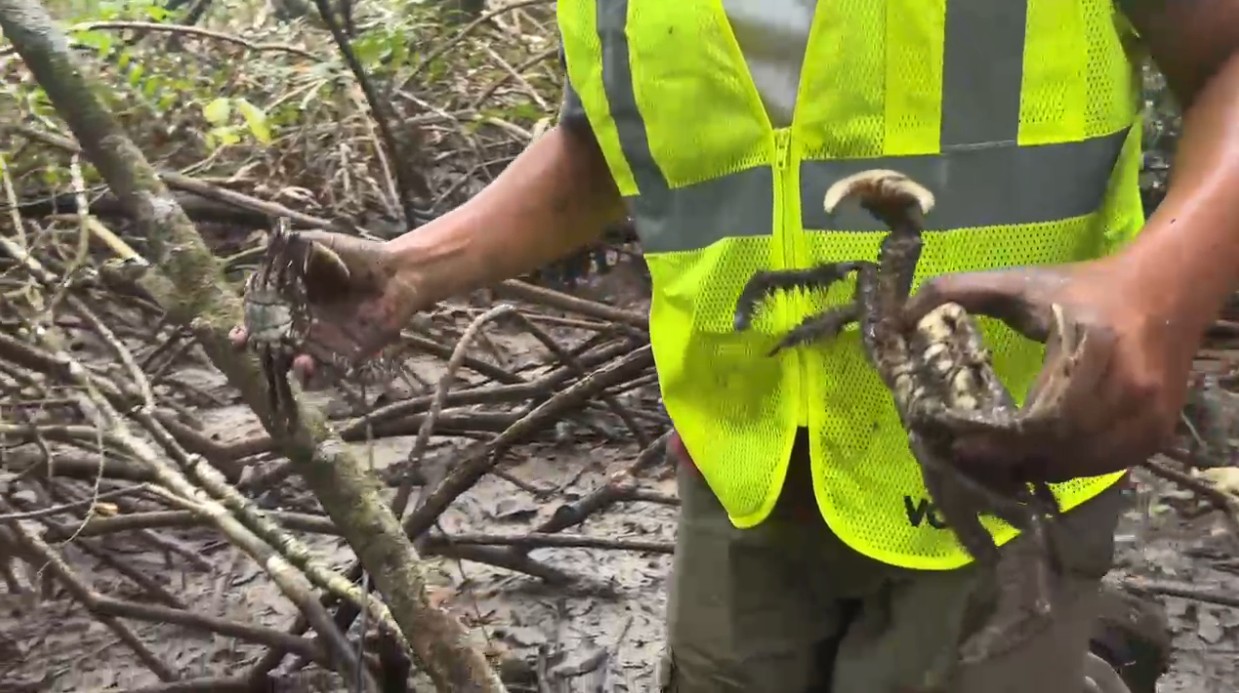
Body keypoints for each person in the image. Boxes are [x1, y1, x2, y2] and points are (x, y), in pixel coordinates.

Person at [232, 0, 1239, 690]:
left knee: (993, 640)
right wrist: (415, 266)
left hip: (1002, 449)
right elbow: (616, 145)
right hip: (743, 453)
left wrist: (1162, 287)